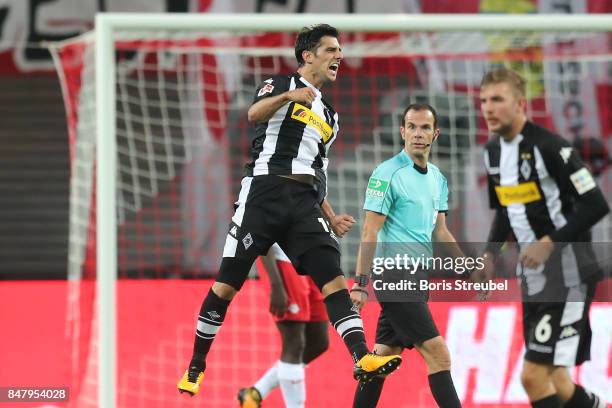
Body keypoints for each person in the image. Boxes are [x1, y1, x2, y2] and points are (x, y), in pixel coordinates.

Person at [177, 23, 402, 397]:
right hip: (264, 192)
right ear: (307, 56)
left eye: (340, 50)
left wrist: (329, 215)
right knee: (226, 285)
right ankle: (197, 365)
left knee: (333, 278)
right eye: (330, 50)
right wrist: (288, 98)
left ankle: (362, 358)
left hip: (303, 204)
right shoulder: (279, 85)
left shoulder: (331, 116)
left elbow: (317, 169)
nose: (339, 56)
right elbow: (253, 115)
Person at [476, 67, 609, 408]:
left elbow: (596, 205)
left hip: (569, 275)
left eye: (497, 99)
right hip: (533, 279)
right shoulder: (491, 153)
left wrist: (548, 242)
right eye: (484, 101)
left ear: (520, 104)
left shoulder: (552, 148)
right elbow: (505, 211)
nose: (488, 108)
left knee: (532, 377)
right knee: (558, 382)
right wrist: (491, 255)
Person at [351, 103, 464, 408]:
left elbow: (441, 231)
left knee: (383, 357)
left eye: (425, 127)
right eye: (412, 127)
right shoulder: (387, 173)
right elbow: (369, 232)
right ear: (402, 131)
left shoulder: (438, 178)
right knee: (438, 354)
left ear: (435, 134)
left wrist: (468, 267)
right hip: (393, 274)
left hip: (418, 277)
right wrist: (361, 282)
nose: (418, 133)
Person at [237, 243, 329, 408]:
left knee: (319, 342)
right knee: (294, 344)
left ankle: (255, 392)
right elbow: (263, 235)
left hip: (310, 260)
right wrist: (276, 285)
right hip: (283, 260)